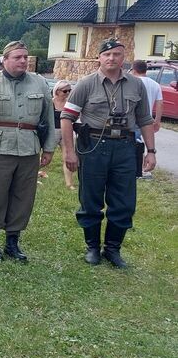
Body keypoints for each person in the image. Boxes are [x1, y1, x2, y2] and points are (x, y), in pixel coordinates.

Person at [60, 39, 155, 268]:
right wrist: (69, 153)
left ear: (124, 58)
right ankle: (92, 247)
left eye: (117, 54)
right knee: (90, 199)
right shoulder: (86, 84)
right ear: (99, 58)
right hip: (93, 146)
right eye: (107, 54)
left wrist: (151, 151)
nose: (112, 58)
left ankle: (113, 249)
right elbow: (66, 117)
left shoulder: (136, 85)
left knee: (124, 202)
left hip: (124, 147)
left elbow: (144, 119)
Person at [0, 40, 55, 262]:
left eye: (25, 57)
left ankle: (13, 241)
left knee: (23, 196)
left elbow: (48, 118)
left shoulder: (40, 84)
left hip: (28, 148)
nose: (23, 61)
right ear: (4, 60)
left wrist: (49, 148)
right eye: (17, 57)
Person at [129, 60, 162, 179]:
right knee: (140, 142)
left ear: (134, 69)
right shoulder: (155, 84)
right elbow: (159, 103)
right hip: (148, 119)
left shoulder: (133, 82)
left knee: (135, 143)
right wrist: (157, 120)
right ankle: (142, 168)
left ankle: (140, 168)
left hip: (135, 118)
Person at [51, 80, 76, 190]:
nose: (67, 93)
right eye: (65, 91)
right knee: (46, 155)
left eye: (69, 91)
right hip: (53, 131)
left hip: (66, 131)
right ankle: (34, 175)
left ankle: (69, 183)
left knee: (68, 156)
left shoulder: (69, 103)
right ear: (57, 91)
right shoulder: (50, 102)